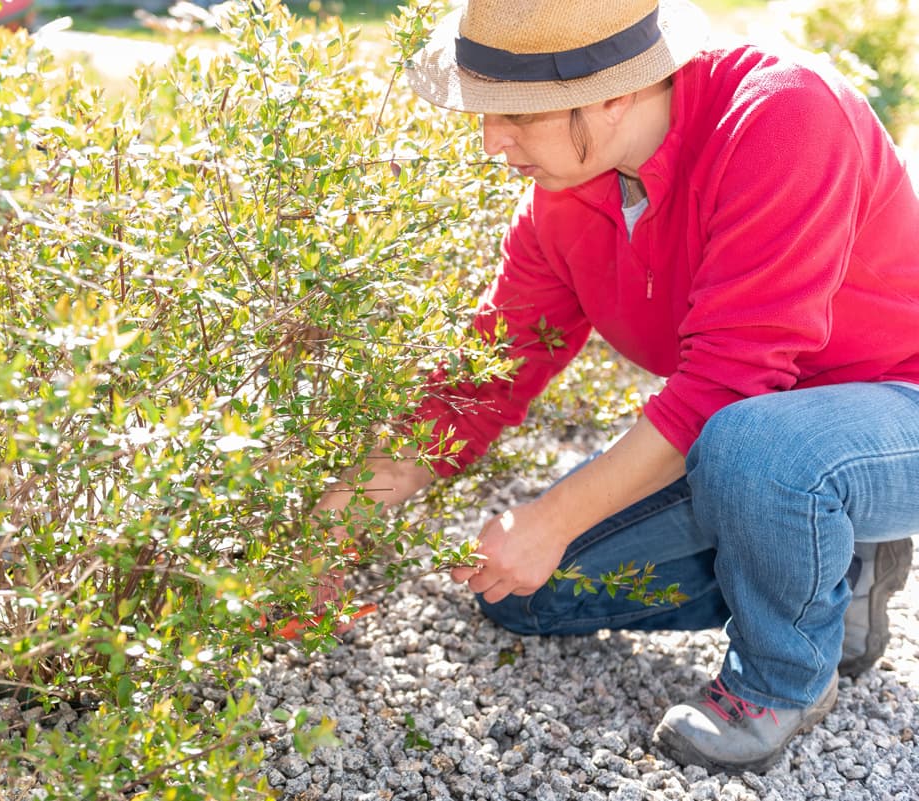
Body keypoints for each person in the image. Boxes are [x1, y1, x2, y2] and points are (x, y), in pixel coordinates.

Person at [311, 0, 919, 774]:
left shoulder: (785, 115)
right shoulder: (563, 199)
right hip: (753, 443)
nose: (492, 142)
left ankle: (781, 681)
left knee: (757, 446)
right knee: (522, 593)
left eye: (515, 114)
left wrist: (553, 514)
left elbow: (726, 388)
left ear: (614, 91)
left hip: (895, 410)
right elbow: (480, 383)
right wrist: (330, 526)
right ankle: (832, 567)